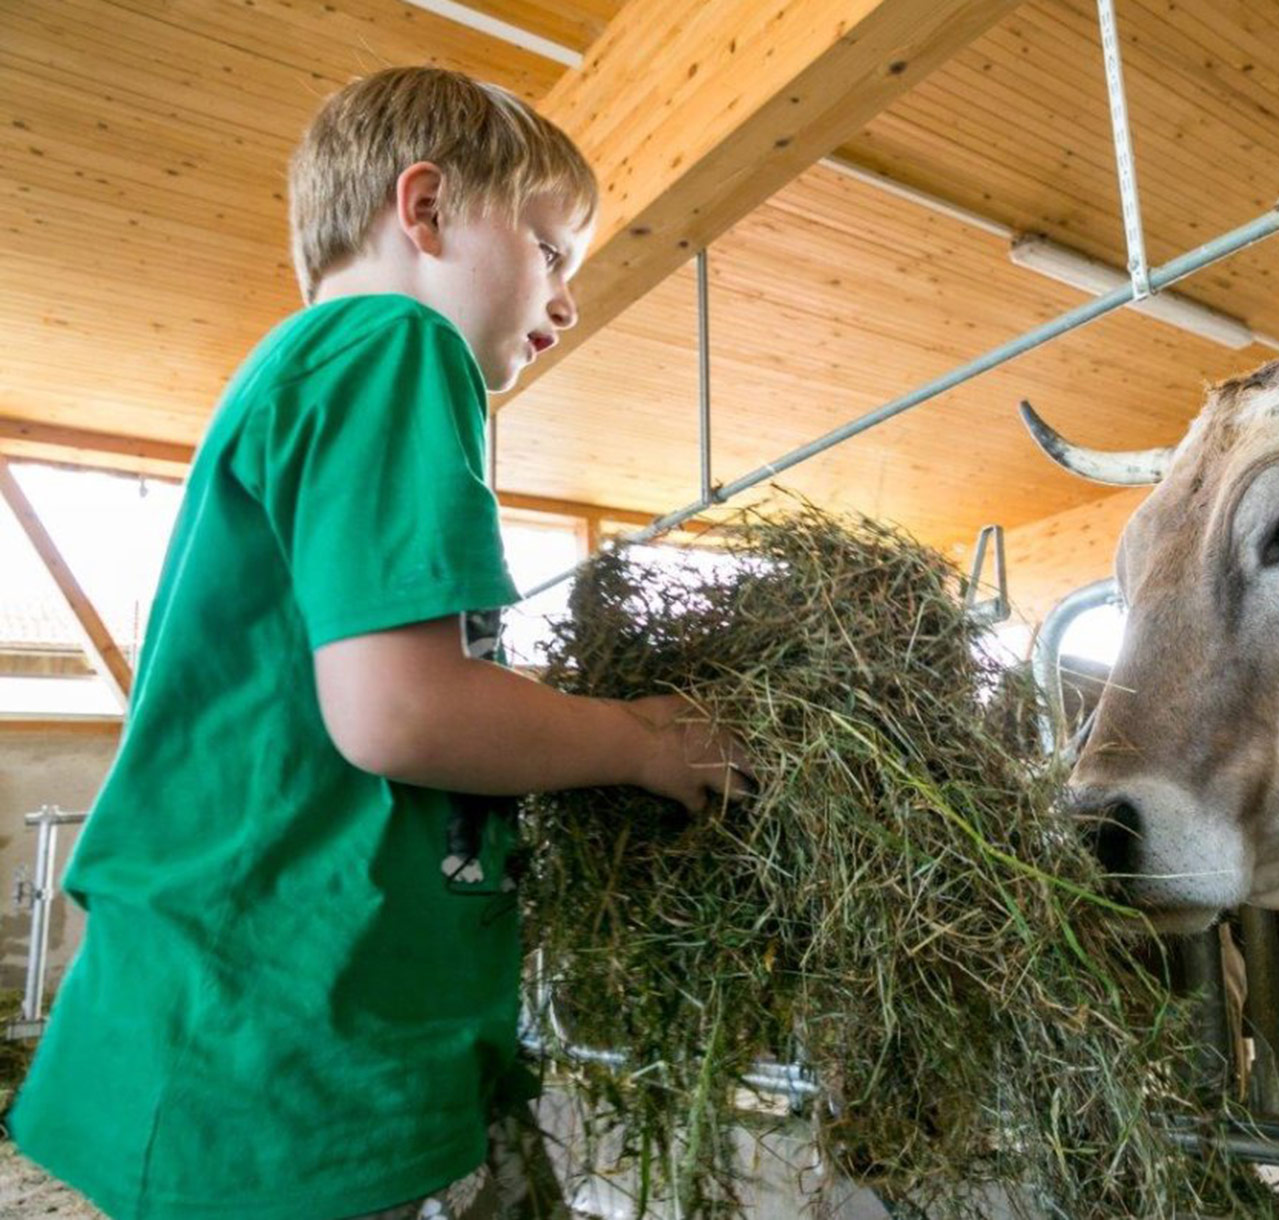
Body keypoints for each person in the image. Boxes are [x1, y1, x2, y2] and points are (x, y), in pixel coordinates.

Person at [7, 65, 748, 1220]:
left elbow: (387, 689)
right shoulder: (391, 344)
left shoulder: (310, 371)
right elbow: (400, 709)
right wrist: (642, 741)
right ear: (427, 208)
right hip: (283, 1040)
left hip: (269, 1016)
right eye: (552, 251)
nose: (567, 301)